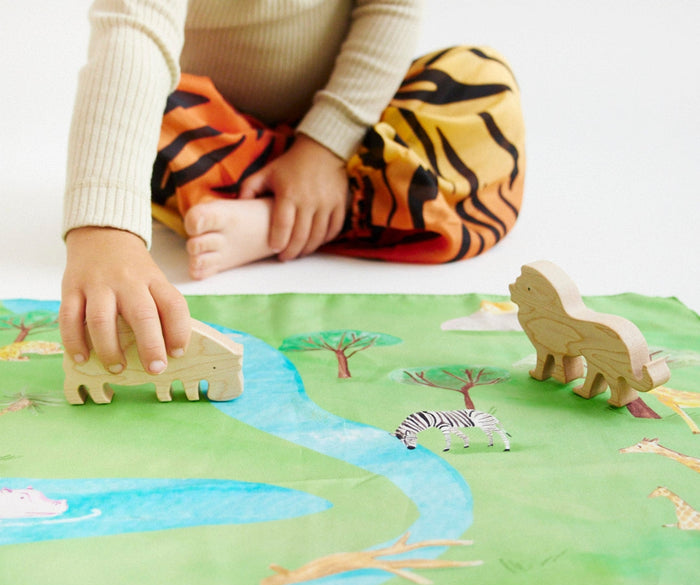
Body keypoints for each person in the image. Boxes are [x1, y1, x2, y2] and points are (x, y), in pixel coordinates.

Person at [60, 0, 525, 379]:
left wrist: (325, 145)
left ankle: (286, 219)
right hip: (225, 143)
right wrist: (105, 234)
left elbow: (390, 7)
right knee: (133, 118)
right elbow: (134, 33)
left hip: (354, 144)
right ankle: (305, 215)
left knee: (481, 78)